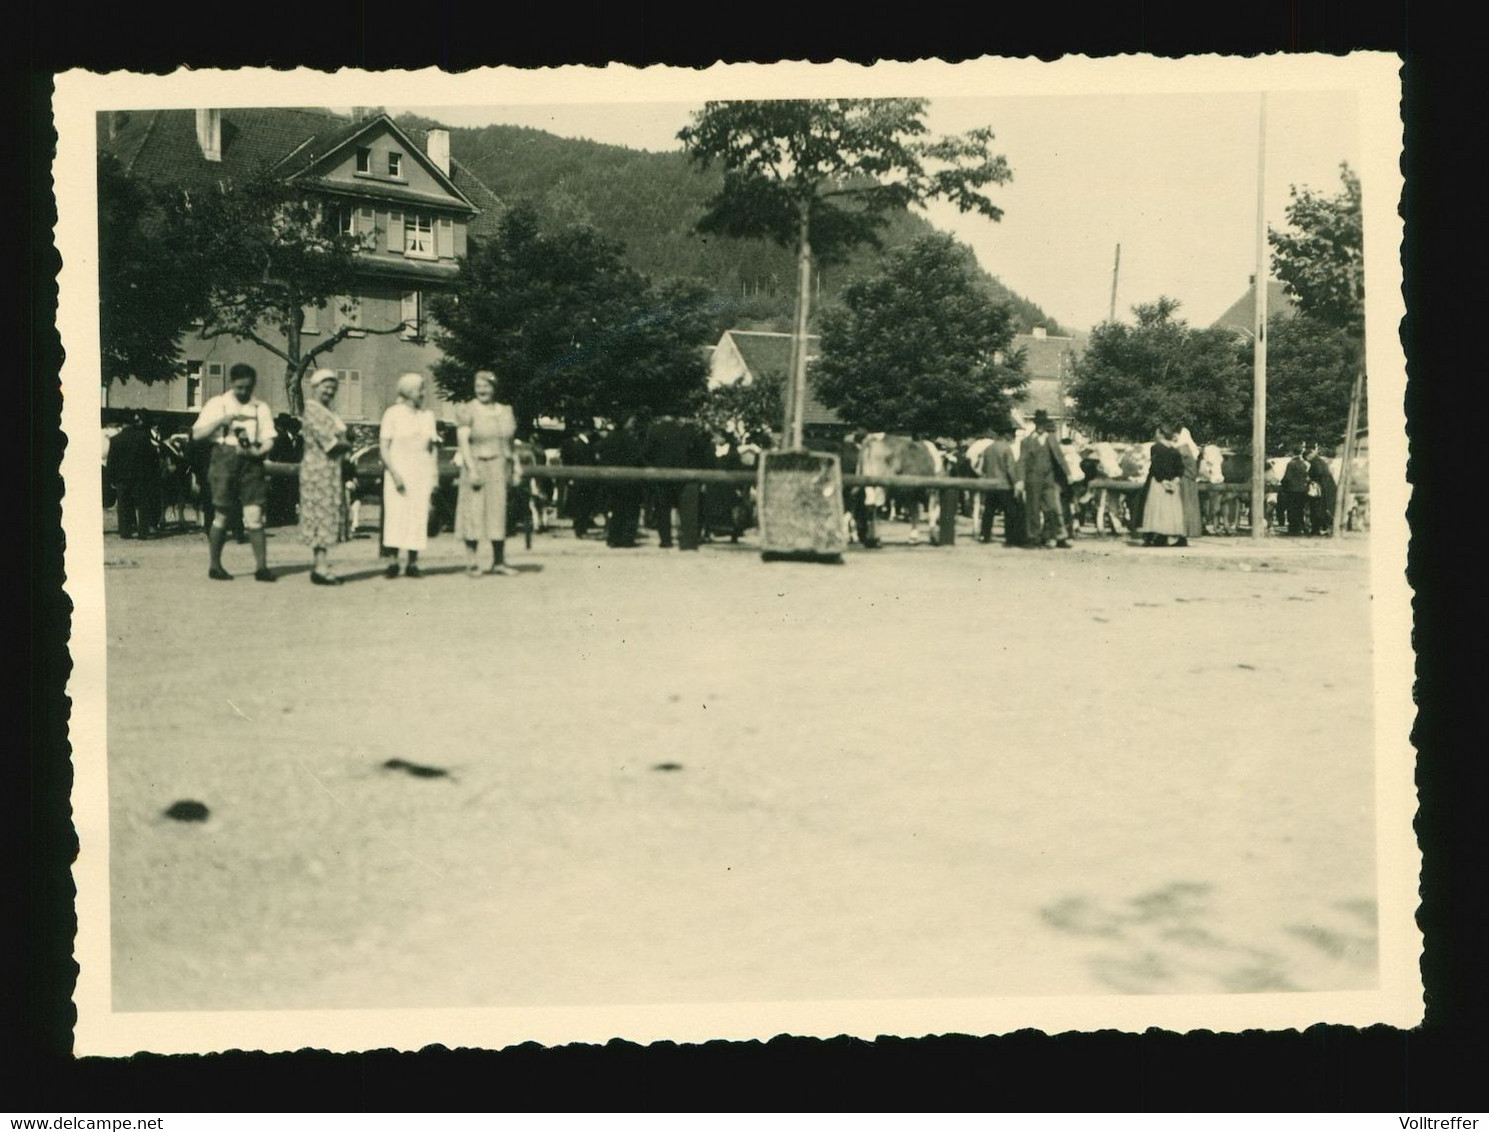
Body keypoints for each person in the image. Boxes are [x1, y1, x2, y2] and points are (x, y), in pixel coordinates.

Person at [191, 363, 277, 581]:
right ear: (231, 383)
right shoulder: (218, 404)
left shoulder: (260, 407)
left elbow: (269, 438)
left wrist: (260, 451)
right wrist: (221, 421)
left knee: (255, 515)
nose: (244, 392)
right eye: (239, 388)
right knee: (222, 515)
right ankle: (215, 566)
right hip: (224, 461)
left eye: (248, 388)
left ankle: (261, 567)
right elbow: (197, 434)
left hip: (251, 463)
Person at [453, 370, 522, 577]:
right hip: (476, 464)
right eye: (478, 386)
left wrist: (516, 467)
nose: (482, 390)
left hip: (500, 466)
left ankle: (499, 561)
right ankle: (472, 562)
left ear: (494, 388)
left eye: (486, 386)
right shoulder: (468, 410)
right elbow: (463, 443)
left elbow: (510, 444)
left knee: (498, 512)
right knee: (473, 511)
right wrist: (472, 469)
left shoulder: (505, 411)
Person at [380, 372, 440, 578]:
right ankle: (393, 562)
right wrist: (394, 473)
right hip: (398, 472)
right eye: (419, 389)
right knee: (396, 515)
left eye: (423, 389)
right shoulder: (392, 414)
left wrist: (434, 476)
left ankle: (413, 563)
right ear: (407, 391)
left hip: (421, 473)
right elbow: (384, 448)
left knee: (418, 515)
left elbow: (432, 449)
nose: (423, 393)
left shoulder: (427, 416)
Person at [300, 369, 350, 585]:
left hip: (329, 470)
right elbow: (331, 444)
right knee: (321, 517)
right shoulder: (313, 410)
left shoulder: (326, 410)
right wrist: (347, 442)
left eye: (333, 388)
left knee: (326, 516)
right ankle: (320, 567)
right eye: (325, 387)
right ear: (315, 386)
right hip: (318, 470)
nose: (329, 391)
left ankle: (320, 565)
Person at [642, 413, 712, 550]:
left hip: (661, 475)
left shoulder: (654, 430)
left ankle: (665, 540)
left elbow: (646, 453)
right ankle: (687, 540)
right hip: (683, 475)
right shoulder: (685, 431)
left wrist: (654, 466)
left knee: (662, 509)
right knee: (685, 509)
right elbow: (700, 450)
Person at [1014, 410, 1071, 549]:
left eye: (1043, 424)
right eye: (1039, 423)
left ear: (1046, 424)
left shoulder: (1051, 439)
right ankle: (1033, 538)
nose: (1041, 426)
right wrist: (1020, 479)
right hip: (1032, 479)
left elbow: (1059, 458)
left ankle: (1053, 536)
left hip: (1049, 479)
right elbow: (1021, 461)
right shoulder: (1026, 441)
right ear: (1035, 424)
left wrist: (1068, 474)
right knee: (1032, 509)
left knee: (1051, 508)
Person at [106, 412, 162, 540]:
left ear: (122, 424)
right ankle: (143, 532)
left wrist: (111, 479)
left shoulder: (115, 440)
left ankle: (125, 532)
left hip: (122, 478)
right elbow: (152, 458)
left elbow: (111, 461)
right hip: (141, 477)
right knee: (143, 505)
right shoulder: (143, 438)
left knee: (124, 504)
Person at [600, 416, 644, 548]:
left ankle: (613, 537)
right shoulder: (630, 440)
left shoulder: (610, 438)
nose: (633, 424)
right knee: (630, 510)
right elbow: (638, 458)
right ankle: (627, 538)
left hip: (613, 480)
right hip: (629, 480)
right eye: (631, 422)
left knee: (617, 509)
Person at [1140, 427, 1188, 547]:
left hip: (1158, 482)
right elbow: (1180, 469)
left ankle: (1156, 537)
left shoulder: (1156, 448)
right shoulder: (1175, 450)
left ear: (1161, 434)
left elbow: (1155, 467)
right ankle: (1173, 536)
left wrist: (1163, 481)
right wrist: (1175, 481)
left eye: (1157, 432)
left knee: (1157, 510)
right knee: (1171, 511)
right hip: (1172, 483)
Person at [977, 421, 1021, 545]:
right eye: (1012, 433)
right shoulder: (1007, 448)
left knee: (988, 512)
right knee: (1010, 512)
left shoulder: (989, 448)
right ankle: (1010, 538)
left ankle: (984, 535)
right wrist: (1016, 483)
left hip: (991, 484)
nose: (1014, 435)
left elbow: (984, 467)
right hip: (1004, 485)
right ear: (1005, 434)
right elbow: (1010, 468)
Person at [559, 426, 599, 538]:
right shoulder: (581, 445)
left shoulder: (580, 444)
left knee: (582, 504)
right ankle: (581, 529)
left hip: (581, 479)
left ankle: (581, 527)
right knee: (583, 505)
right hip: (583, 479)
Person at [1174, 426, 1205, 541]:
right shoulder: (1192, 450)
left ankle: (1183, 533)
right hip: (1190, 481)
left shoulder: (1182, 449)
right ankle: (1188, 532)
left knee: (1183, 506)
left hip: (1183, 481)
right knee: (1190, 506)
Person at [1306, 444, 1339, 537]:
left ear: (1309, 456)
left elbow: (1318, 473)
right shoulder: (1321, 462)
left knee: (1317, 509)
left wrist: (1311, 479)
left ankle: (1316, 529)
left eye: (1307, 458)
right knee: (1325, 509)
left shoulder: (1315, 462)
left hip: (1321, 489)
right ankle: (1325, 528)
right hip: (1328, 489)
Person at [1278, 447, 1311, 535]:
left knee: (1292, 510)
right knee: (1300, 509)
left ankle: (1293, 529)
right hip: (1302, 490)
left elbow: (1287, 477)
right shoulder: (1304, 464)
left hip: (1292, 490)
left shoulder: (1291, 463)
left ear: (1292, 452)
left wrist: (1282, 482)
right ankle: (1301, 527)